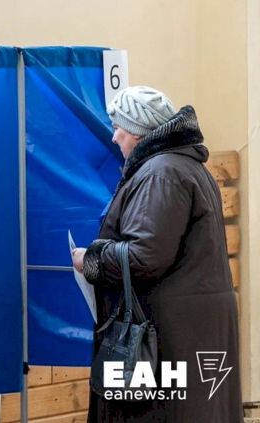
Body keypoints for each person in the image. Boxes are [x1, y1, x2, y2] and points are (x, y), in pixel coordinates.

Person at [71, 86, 243, 422]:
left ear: (137, 131)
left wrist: (91, 258)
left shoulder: (160, 173)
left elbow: (144, 257)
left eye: (118, 127)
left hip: (168, 334)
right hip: (191, 326)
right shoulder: (185, 167)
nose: (114, 137)